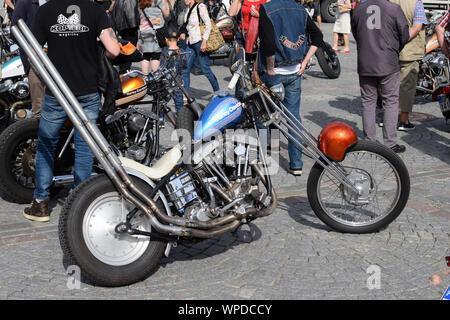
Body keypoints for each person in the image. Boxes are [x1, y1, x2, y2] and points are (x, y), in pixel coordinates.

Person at [23, 0, 120, 222]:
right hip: (87, 89)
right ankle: (80, 202)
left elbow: (33, 53)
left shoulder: (46, 10)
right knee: (85, 147)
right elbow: (114, 49)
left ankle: (41, 204)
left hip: (57, 90)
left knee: (47, 144)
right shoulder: (95, 9)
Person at [258, 0, 323, 176]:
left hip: (275, 71)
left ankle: (262, 160)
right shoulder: (300, 9)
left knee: (264, 116)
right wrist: (305, 61)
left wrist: (270, 69)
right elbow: (318, 36)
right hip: (295, 70)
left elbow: (269, 44)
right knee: (293, 117)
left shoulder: (267, 8)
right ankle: (296, 164)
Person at [351, 0, 410, 153]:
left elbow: (356, 33)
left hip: (366, 62)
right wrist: (394, 49)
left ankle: (369, 141)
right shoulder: (393, 8)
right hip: (388, 62)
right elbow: (404, 34)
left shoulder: (358, 9)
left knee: (368, 101)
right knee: (390, 101)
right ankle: (390, 143)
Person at [390, 0, 426, 131]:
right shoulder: (416, 3)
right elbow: (417, 27)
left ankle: (388, 118)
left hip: (389, 51)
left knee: (389, 85)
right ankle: (403, 120)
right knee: (407, 86)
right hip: (409, 51)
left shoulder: (389, 1)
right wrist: (402, 40)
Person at [11, 0, 45, 118]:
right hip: (34, 60)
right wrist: (30, 48)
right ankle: (39, 134)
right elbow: (14, 31)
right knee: (39, 108)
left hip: (57, 59)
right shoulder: (25, 2)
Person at [180, 0, 220, 94]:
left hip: (200, 41)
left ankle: (217, 92)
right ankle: (186, 95)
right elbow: (188, 26)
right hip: (190, 42)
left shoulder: (200, 6)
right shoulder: (187, 9)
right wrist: (183, 33)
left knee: (206, 70)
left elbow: (208, 25)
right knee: (185, 69)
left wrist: (204, 41)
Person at [159, 25, 187, 112]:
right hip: (178, 83)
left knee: (162, 103)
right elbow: (185, 66)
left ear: (166, 39)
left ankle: (160, 120)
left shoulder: (165, 52)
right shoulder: (182, 52)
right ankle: (180, 120)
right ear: (178, 39)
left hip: (167, 83)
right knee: (179, 104)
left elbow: (161, 67)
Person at [111, 0, 140, 73]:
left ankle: (123, 70)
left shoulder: (118, 1)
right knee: (129, 50)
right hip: (130, 28)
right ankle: (125, 71)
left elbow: (114, 14)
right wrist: (136, 26)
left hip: (121, 27)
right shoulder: (131, 1)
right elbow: (131, 16)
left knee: (123, 48)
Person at [138, 0, 166, 72]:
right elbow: (166, 13)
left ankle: (145, 78)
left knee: (145, 56)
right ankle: (155, 77)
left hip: (143, 32)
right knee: (156, 55)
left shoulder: (139, 1)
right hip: (156, 32)